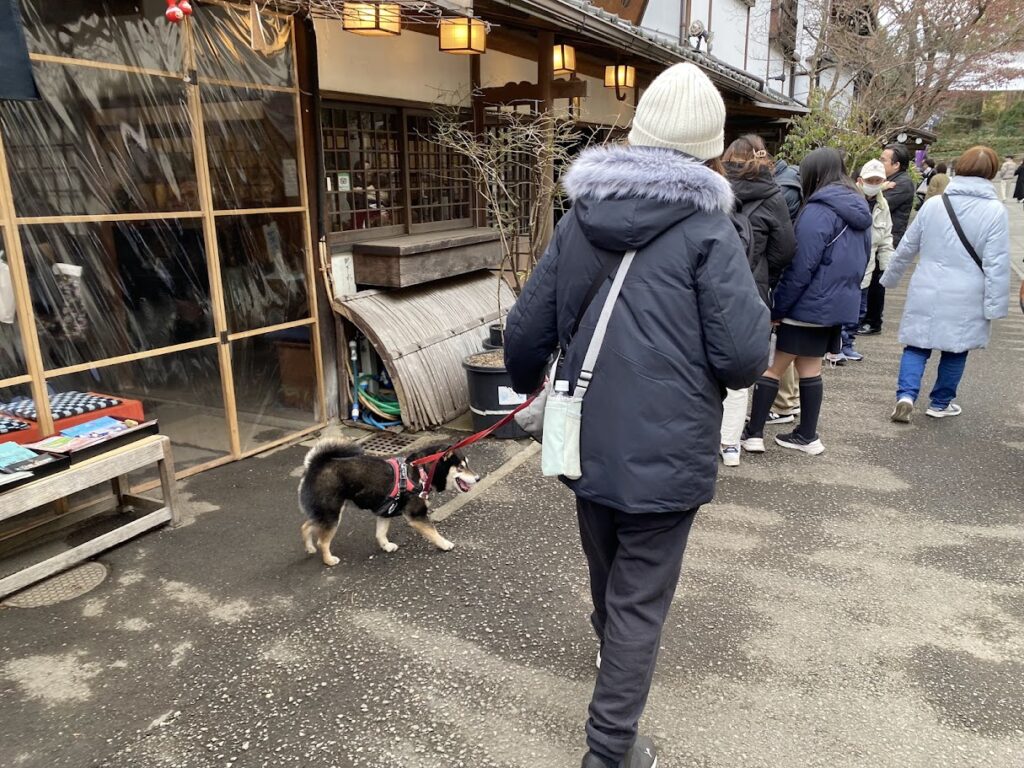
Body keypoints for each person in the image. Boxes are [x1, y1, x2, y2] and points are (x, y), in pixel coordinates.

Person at [503, 62, 769, 768]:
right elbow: (744, 359)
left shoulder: (581, 217)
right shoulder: (713, 230)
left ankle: (610, 661)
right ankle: (610, 748)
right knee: (639, 598)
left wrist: (525, 384)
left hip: (584, 434)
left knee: (608, 569)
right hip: (671, 446)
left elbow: (526, 331)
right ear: (711, 151)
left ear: (637, 135)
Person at [740, 147, 871, 455]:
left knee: (772, 367)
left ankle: (754, 434)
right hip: (835, 305)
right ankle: (807, 435)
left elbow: (801, 266)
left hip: (806, 303)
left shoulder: (818, 210)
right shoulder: (859, 208)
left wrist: (779, 307)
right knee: (810, 369)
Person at [882, 146, 1010, 423]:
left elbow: (906, 247)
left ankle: (905, 396)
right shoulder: (994, 211)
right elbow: (997, 263)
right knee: (956, 348)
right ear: (991, 172)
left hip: (927, 285)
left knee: (916, 344)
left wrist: (889, 278)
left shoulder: (934, 205)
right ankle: (940, 403)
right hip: (966, 292)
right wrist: (996, 306)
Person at [720, 135, 796, 466]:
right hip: (752, 290)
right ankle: (731, 444)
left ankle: (702, 437)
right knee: (740, 368)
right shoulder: (773, 195)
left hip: (709, 286)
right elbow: (785, 250)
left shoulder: (712, 185)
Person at [840, 159, 894, 362]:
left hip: (868, 266)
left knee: (859, 310)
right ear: (861, 180)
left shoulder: (882, 204)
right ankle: (837, 345)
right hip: (846, 266)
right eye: (870, 179)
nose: (874, 183)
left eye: (878, 180)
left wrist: (888, 268)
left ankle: (848, 344)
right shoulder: (850, 199)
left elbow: (886, 238)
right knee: (842, 308)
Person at [859, 144, 915, 336]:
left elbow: (880, 202)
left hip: (889, 239)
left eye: (884, 159)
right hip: (880, 236)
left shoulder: (903, 183)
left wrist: (878, 188)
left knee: (877, 282)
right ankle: (866, 318)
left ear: (896, 165)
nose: (880, 161)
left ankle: (873, 321)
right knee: (871, 279)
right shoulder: (889, 181)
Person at [770, 160, 803, 426]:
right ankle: (788, 401)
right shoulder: (789, 184)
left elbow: (782, 246)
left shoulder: (782, 189)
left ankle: (784, 403)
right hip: (782, 277)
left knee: (779, 349)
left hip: (777, 278)